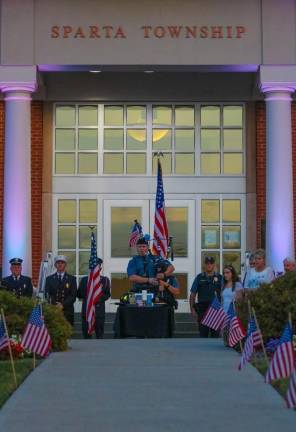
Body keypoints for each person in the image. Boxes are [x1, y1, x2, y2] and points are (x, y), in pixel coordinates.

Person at [77, 257, 111, 339]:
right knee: (86, 332)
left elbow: (107, 294)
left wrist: (97, 298)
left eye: (97, 266)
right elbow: (79, 294)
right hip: (87, 310)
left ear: (100, 268)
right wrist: (89, 295)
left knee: (99, 333)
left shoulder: (105, 280)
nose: (95, 268)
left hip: (99, 310)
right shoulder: (85, 280)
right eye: (93, 266)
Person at [190, 256, 223, 338]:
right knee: (203, 335)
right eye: (207, 263)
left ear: (214, 265)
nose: (209, 265)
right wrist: (192, 309)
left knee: (215, 335)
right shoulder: (199, 277)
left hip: (216, 309)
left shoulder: (220, 277)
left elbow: (225, 293)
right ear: (204, 265)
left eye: (211, 263)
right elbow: (193, 294)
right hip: (202, 309)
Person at [45, 255, 77, 326]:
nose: (60, 264)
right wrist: (55, 305)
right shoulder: (49, 279)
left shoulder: (72, 279)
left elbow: (73, 295)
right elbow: (47, 294)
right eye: (58, 263)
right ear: (55, 265)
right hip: (53, 309)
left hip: (67, 310)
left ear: (65, 265)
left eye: (62, 263)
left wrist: (62, 304)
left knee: (68, 333)